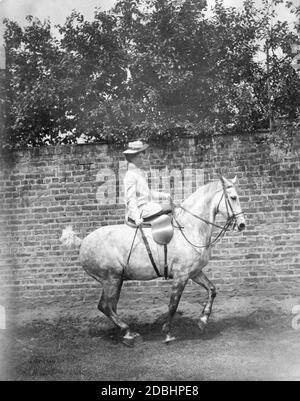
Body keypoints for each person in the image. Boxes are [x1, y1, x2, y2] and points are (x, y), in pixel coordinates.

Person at [123, 140, 172, 226]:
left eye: (142, 157)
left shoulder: (138, 173)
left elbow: (148, 193)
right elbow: (130, 198)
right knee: (170, 209)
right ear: (132, 158)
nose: (142, 159)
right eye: (140, 157)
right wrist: (136, 217)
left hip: (147, 207)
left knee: (170, 208)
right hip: (140, 210)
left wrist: (165, 195)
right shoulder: (130, 175)